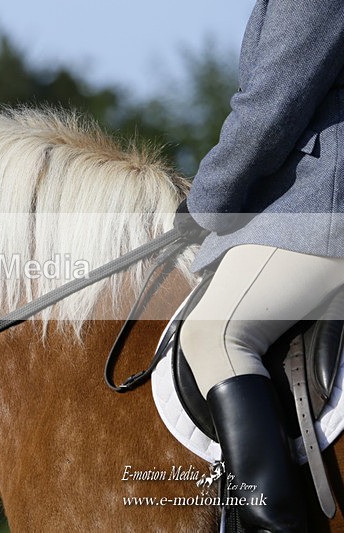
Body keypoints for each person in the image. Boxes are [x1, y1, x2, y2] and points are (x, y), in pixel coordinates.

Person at [178, 1, 344, 531]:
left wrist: (206, 203)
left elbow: (269, 109)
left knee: (213, 334)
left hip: (326, 201)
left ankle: (275, 526)